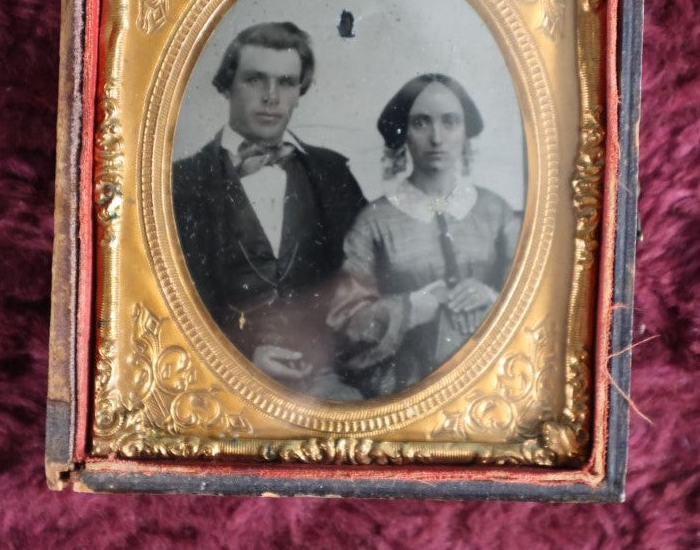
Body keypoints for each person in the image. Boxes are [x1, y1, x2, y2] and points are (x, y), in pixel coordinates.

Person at [172, 22, 366, 398]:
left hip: (325, 379)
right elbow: (165, 298)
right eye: (254, 80)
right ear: (227, 85)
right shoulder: (182, 183)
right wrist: (241, 357)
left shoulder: (332, 173)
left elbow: (365, 278)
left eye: (287, 83)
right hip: (216, 382)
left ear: (300, 91)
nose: (271, 97)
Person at [327, 73, 521, 398]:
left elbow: (537, 298)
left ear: (465, 133)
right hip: (405, 386)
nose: (436, 138)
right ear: (403, 134)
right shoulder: (374, 221)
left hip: (492, 385)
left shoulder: (495, 211)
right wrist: (415, 305)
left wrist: (491, 298)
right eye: (421, 123)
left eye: (449, 122)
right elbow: (345, 323)